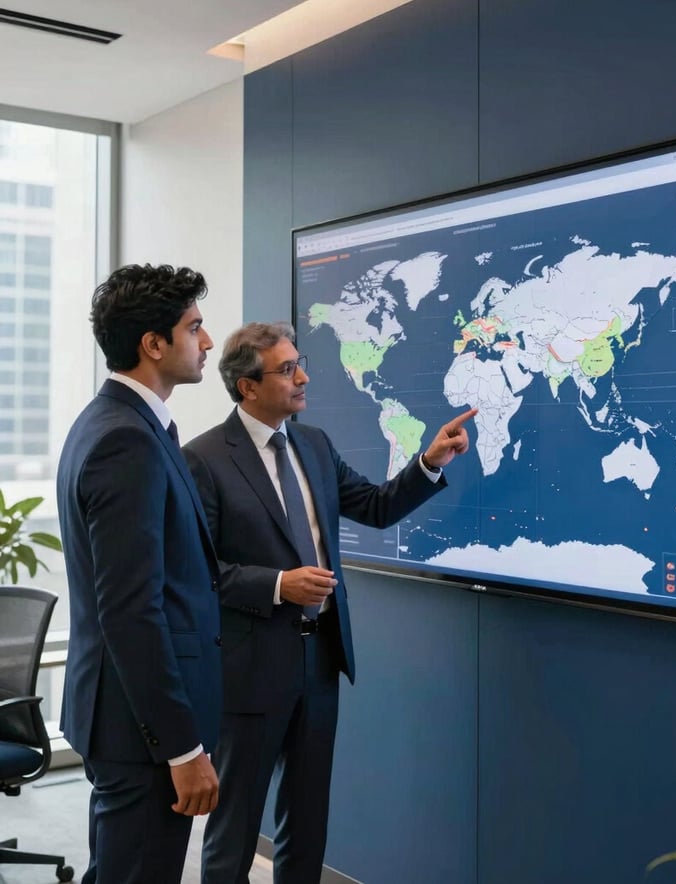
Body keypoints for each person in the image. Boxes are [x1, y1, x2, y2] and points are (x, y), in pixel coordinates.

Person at [182, 320, 476, 884]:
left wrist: (429, 461)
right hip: (249, 669)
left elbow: (375, 505)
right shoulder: (205, 459)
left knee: (308, 819)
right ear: (247, 386)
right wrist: (277, 585)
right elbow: (199, 572)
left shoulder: (312, 444)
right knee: (236, 826)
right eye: (287, 369)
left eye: (300, 362)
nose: (303, 376)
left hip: (320, 661)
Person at [56, 264, 222, 884]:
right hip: (141, 732)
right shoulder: (126, 439)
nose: (206, 342)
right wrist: (182, 748)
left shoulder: (114, 424)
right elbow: (131, 610)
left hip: (127, 720)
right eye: (194, 328)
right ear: (153, 344)